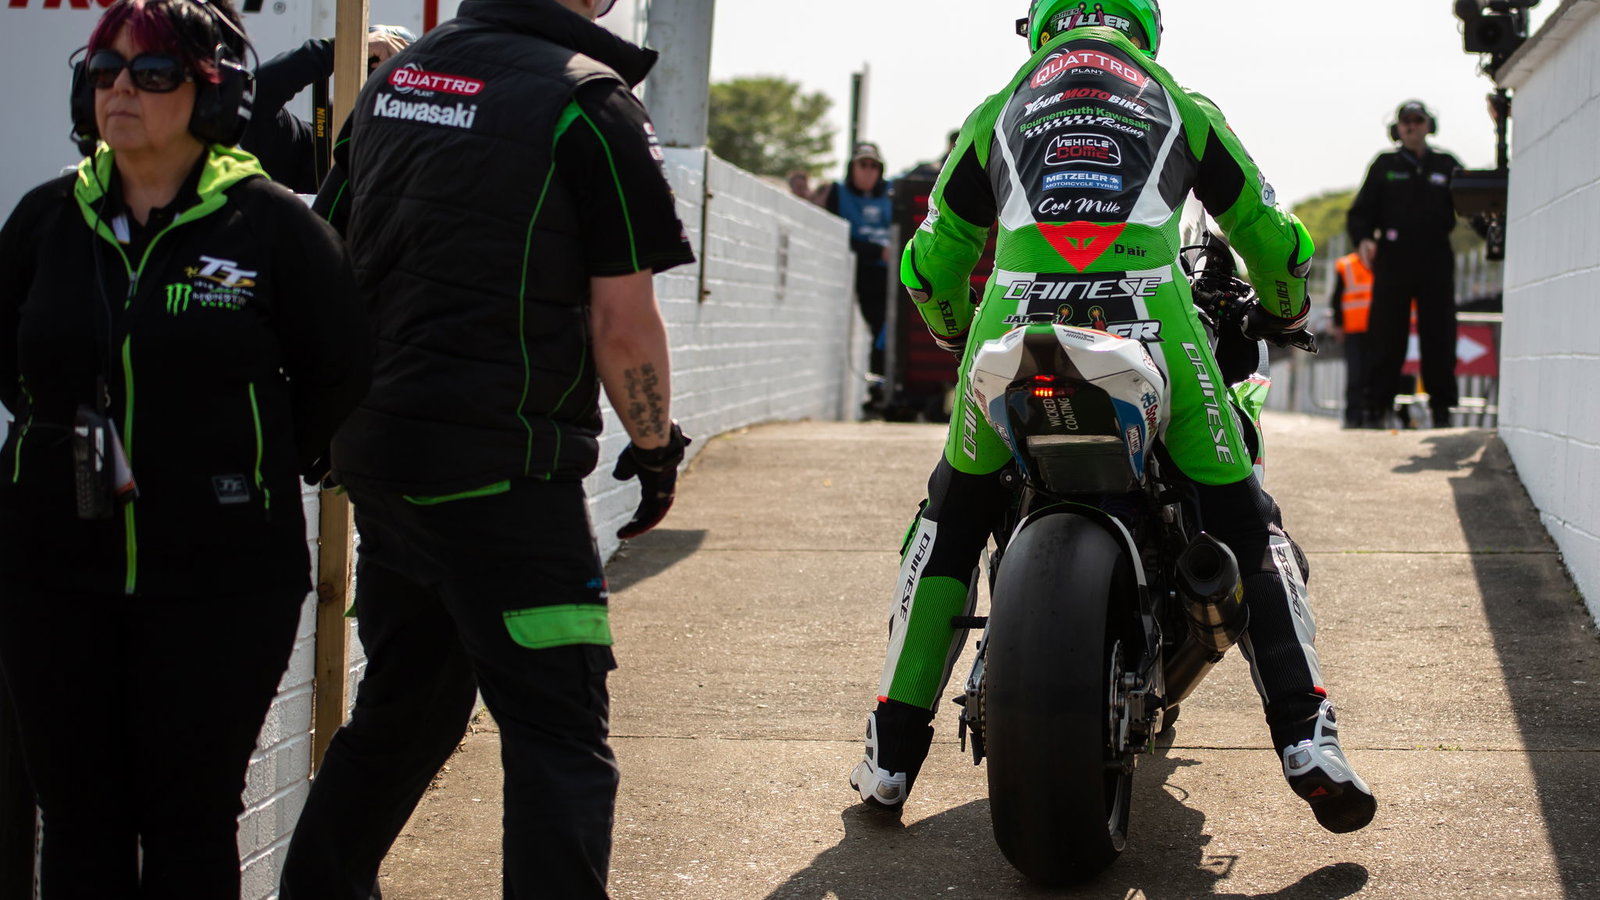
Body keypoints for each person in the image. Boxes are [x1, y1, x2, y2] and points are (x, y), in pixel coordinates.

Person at [848, 0, 1377, 835]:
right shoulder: (1179, 102)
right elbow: (1271, 237)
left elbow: (935, 255)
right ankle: (1308, 739)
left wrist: (956, 329)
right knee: (1244, 520)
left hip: (1015, 329)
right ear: (1145, 25)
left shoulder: (1000, 109)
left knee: (951, 515)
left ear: (1041, 25)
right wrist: (1281, 309)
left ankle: (889, 754)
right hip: (1155, 323)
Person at [278, 0, 696, 896]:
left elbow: (327, 254)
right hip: (504, 479)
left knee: (405, 711)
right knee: (559, 737)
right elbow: (622, 324)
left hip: (384, 462)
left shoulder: (400, 77)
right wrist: (656, 451)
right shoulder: (591, 102)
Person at [0, 0, 371, 893]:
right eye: (104, 73)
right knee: (80, 822)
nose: (121, 89)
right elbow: (8, 355)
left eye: (152, 73)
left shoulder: (274, 228)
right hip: (52, 572)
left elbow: (339, 372)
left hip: (222, 579)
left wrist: (242, 465)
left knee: (189, 818)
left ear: (213, 96)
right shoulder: (47, 217)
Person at [1347, 100, 1464, 429]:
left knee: (1440, 333)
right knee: (1386, 335)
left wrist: (1494, 224)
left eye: (1418, 120)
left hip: (1436, 258)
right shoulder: (1385, 164)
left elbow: (1472, 203)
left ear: (1429, 125)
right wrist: (1364, 237)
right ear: (1397, 128)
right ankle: (1376, 407)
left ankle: (1442, 408)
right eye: (1406, 122)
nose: (1412, 126)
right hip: (1394, 259)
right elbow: (1361, 212)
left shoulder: (1446, 164)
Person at [239, 25, 414, 193]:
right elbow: (253, 99)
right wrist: (337, 50)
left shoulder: (418, 164)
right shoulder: (309, 149)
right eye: (363, 78)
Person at [820, 141, 894, 378]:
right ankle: (879, 380)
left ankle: (883, 379)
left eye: (874, 166)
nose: (868, 170)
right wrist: (874, 251)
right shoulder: (838, 192)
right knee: (880, 323)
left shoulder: (891, 193)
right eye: (863, 164)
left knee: (892, 328)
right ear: (852, 167)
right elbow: (832, 233)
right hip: (864, 271)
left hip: (893, 272)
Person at [1328, 251, 1373, 428]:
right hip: (1353, 331)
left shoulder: (1386, 264)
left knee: (1373, 374)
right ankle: (1353, 416)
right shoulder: (1347, 265)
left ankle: (1371, 415)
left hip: (1377, 332)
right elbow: (1337, 298)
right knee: (1355, 375)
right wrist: (1339, 324)